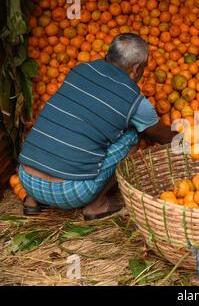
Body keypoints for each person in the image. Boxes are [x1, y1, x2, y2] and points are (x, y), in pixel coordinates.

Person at [18, 33, 176, 220]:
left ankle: (32, 201)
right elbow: (159, 134)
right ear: (137, 68)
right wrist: (185, 139)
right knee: (133, 135)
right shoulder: (134, 100)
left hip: (26, 178)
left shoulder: (80, 70)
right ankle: (97, 205)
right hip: (70, 192)